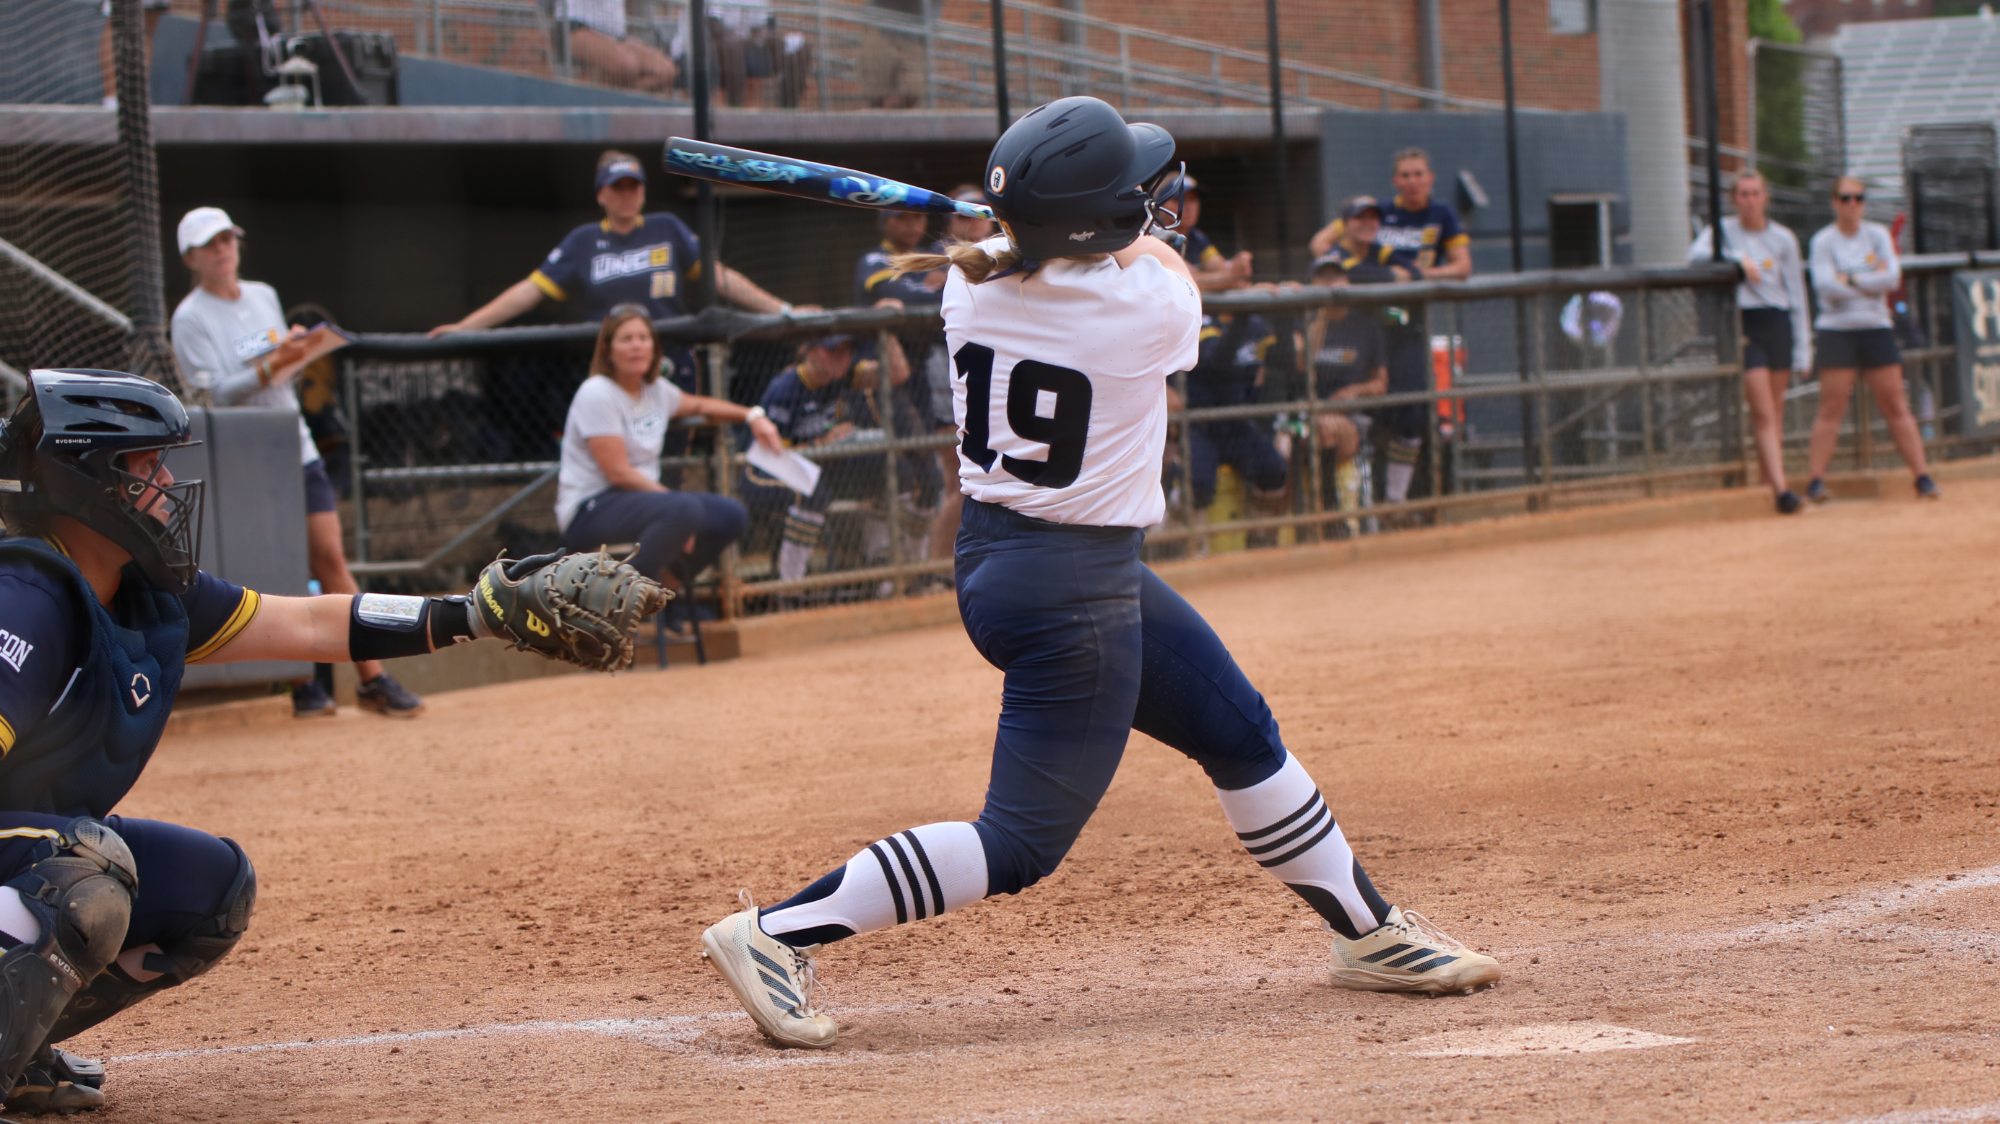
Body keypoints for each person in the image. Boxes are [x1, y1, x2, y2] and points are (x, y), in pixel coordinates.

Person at [697, 96, 1500, 1052]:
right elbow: (1149, 260)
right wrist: (1106, 231)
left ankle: (1369, 934)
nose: (1154, 208)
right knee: (1020, 843)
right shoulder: (1146, 303)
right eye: (1137, 200)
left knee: (1241, 732)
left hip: (1021, 561)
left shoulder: (969, 289)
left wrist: (1045, 233)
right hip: (1068, 595)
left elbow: (1070, 256)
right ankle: (775, 934)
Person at [0, 369, 651, 1113]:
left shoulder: (146, 592)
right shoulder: (26, 600)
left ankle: (15, 1049)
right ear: (81, 479)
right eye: (145, 465)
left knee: (211, 890)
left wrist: (476, 613)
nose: (167, 481)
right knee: (84, 877)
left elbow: (308, 623)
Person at [168, 207, 424, 720]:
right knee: (273, 571)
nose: (222, 249)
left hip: (293, 443)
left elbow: (277, 371)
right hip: (244, 456)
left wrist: (296, 352)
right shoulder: (189, 317)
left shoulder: (262, 294)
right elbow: (208, 394)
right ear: (191, 257)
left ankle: (373, 678)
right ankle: (301, 684)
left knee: (330, 557)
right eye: (209, 244)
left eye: (227, 238)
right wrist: (273, 366)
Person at [428, 150, 806, 385]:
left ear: (643, 191)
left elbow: (723, 279)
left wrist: (785, 311)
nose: (627, 194)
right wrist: (465, 329)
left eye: (634, 186)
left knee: (673, 453)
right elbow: (529, 292)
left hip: (670, 359)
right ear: (601, 194)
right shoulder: (583, 240)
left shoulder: (667, 228)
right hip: (615, 368)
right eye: (618, 187)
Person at [557, 306, 780, 593]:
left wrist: (753, 416)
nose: (636, 345)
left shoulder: (656, 389)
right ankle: (621, 602)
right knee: (684, 509)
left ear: (653, 347)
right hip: (590, 509)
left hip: (644, 503)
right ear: (607, 350)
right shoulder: (597, 392)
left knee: (731, 515)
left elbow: (700, 405)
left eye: (643, 337)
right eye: (626, 339)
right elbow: (618, 473)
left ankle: (660, 593)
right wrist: (682, 516)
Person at [1803, 177, 1939, 503]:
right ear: (1834, 201)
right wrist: (1868, 282)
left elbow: (1891, 278)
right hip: (1836, 328)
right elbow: (1825, 287)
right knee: (1831, 406)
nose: (1852, 204)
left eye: (1858, 198)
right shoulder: (1824, 241)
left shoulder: (1876, 235)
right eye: (1845, 198)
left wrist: (1848, 278)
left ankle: (1922, 478)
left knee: (1895, 403)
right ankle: (1815, 482)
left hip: (1876, 326)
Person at [740, 332, 912, 586]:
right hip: (762, 470)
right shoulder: (786, 388)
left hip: (818, 464)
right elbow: (772, 452)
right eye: (832, 351)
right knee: (813, 493)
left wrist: (885, 330)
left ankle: (880, 567)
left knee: (898, 472)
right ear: (810, 352)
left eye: (846, 351)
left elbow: (897, 374)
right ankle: (790, 589)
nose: (841, 359)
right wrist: (822, 443)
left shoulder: (844, 376)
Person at [1687, 171, 1811, 514]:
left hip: (1777, 321)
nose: (1750, 200)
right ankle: (1783, 490)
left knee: (1776, 410)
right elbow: (1694, 256)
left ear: (1765, 198)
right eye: (1743, 194)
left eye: (1756, 193)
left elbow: (1797, 293)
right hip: (1746, 322)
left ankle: (1766, 484)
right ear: (1734, 199)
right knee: (1762, 410)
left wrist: (1803, 346)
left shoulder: (1783, 239)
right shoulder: (1723, 231)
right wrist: (1736, 261)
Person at [1300, 254, 1390, 515]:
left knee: (1326, 428)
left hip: (1350, 415)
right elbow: (1302, 364)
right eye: (1323, 277)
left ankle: (1330, 513)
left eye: (1336, 276)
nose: (1331, 283)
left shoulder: (1366, 326)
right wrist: (1321, 316)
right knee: (1291, 444)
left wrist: (1356, 391)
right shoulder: (1304, 320)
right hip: (1308, 412)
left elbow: (1381, 383)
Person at [1183, 312, 1288, 518]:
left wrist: (1286, 315)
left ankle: (1257, 538)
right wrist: (1241, 317)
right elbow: (1217, 362)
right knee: (1199, 485)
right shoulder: (1200, 316)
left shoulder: (1257, 324)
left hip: (1238, 426)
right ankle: (1180, 539)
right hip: (1201, 424)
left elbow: (1284, 362)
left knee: (1274, 471)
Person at [556, 0, 677, 93]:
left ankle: (615, 102)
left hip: (615, 36)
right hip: (574, 27)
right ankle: (588, 98)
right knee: (626, 65)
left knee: (665, 72)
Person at [1176, 174, 1255, 292]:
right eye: (1179, 199)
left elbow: (1219, 266)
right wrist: (1231, 276)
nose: (1189, 207)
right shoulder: (1155, 237)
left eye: (1193, 199)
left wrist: (1259, 289)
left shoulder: (1195, 236)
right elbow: (1186, 281)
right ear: (1159, 203)